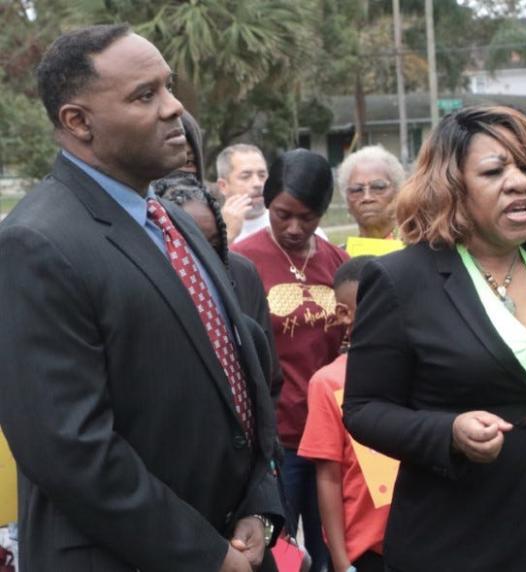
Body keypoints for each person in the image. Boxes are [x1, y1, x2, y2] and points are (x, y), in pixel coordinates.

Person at [0, 24, 283, 570]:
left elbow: (235, 378)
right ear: (78, 122)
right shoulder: (34, 244)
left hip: (239, 543)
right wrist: (205, 553)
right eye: (144, 95)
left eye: (168, 86)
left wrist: (258, 504)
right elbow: (71, 450)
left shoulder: (172, 219)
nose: (174, 108)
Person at [342, 106, 526, 571]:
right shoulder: (402, 279)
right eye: (495, 170)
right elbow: (364, 409)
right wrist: (448, 433)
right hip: (465, 540)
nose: (519, 181)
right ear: (452, 187)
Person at [233, 149, 350, 572]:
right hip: (277, 440)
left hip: (330, 436)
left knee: (331, 548)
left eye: (309, 217)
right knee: (279, 552)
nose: (295, 228)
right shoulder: (243, 261)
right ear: (267, 203)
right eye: (283, 215)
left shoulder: (337, 262)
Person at [154, 172, 285, 401]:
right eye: (189, 247)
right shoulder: (147, 284)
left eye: (212, 244)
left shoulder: (243, 274)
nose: (204, 258)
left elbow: (268, 375)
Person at [297, 256, 389, 572]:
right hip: (365, 549)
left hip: (420, 539)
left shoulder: (420, 369)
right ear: (344, 313)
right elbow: (328, 478)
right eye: (375, 304)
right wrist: (340, 560)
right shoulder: (328, 383)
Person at [337, 145, 403, 240]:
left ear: (398, 194)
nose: (367, 198)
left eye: (378, 187)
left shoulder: (417, 252)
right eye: (357, 190)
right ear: (347, 203)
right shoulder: (341, 254)